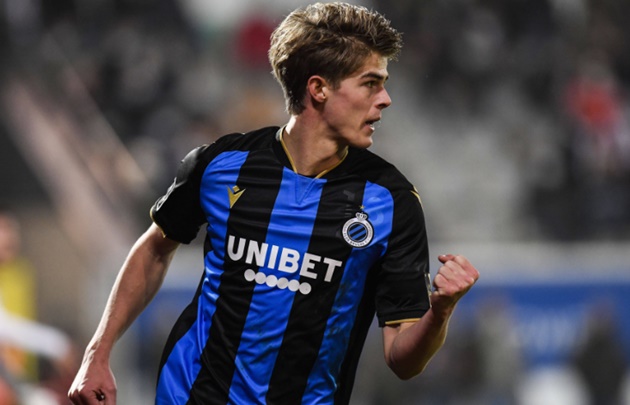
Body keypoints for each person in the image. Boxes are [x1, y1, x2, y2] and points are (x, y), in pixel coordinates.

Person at [68, 3, 480, 404]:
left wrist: (439, 312)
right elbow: (155, 249)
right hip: (192, 394)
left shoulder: (392, 201)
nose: (386, 98)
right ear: (319, 88)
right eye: (370, 83)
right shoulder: (222, 164)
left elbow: (403, 361)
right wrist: (97, 353)